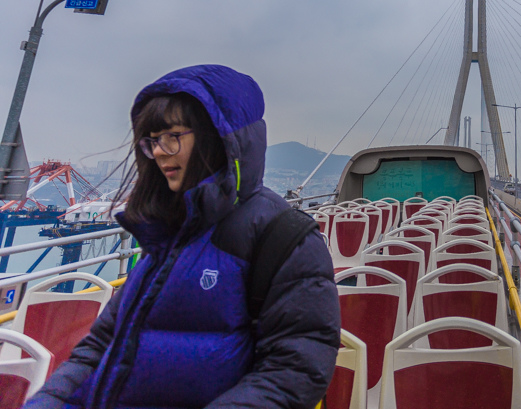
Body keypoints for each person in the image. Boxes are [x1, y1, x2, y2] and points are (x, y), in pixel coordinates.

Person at [26, 64, 340, 409]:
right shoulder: (166, 233)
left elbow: (294, 371)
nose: (159, 151)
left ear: (220, 139)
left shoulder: (285, 237)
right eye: (152, 141)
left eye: (172, 136)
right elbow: (102, 347)